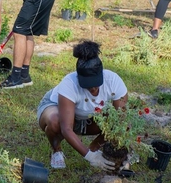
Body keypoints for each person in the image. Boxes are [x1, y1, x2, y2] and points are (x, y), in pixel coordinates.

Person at [37, 40, 128, 170]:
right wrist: (89, 156)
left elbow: (122, 121)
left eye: (96, 83)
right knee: (55, 121)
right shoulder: (69, 85)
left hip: (89, 117)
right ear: (79, 77)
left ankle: (94, 148)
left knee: (117, 121)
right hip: (57, 109)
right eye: (88, 85)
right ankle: (56, 150)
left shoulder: (113, 81)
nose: (93, 89)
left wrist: (93, 151)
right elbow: (66, 128)